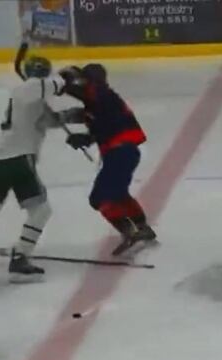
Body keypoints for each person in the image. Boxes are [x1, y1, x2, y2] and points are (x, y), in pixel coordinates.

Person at [0, 56, 74, 282]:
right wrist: (68, 75)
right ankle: (21, 257)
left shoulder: (28, 96)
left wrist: (66, 116)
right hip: (19, 159)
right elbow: (58, 84)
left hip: (1, 159)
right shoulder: (30, 87)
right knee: (41, 211)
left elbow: (42, 122)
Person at [63, 63, 156, 257]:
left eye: (85, 80)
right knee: (119, 194)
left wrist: (86, 138)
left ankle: (130, 233)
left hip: (120, 153)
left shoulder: (101, 96)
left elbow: (103, 122)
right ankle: (142, 228)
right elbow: (91, 110)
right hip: (124, 153)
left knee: (99, 198)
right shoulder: (99, 99)